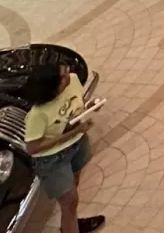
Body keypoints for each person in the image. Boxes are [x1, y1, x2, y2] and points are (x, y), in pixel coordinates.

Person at [21, 60, 106, 233]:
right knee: (70, 201)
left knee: (73, 190)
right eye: (63, 76)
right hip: (52, 159)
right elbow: (33, 147)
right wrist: (72, 133)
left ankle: (70, 224)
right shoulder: (37, 115)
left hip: (76, 145)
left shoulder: (72, 80)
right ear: (53, 88)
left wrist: (89, 106)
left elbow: (77, 104)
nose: (68, 74)